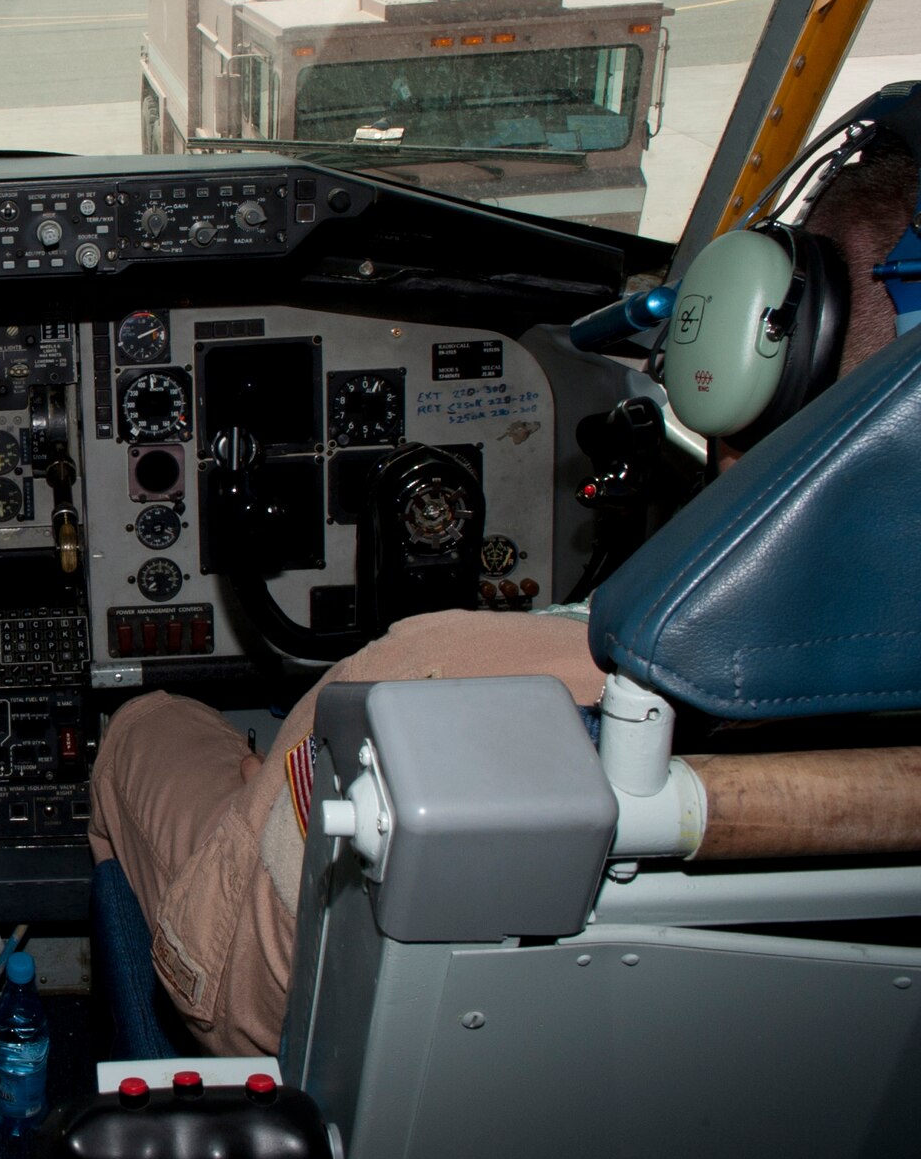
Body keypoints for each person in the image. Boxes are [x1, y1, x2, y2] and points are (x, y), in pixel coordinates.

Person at [89, 133, 918, 1056]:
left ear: (762, 353)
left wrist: (274, 789)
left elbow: (240, 968)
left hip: (324, 1032)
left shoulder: (437, 680)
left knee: (144, 723)